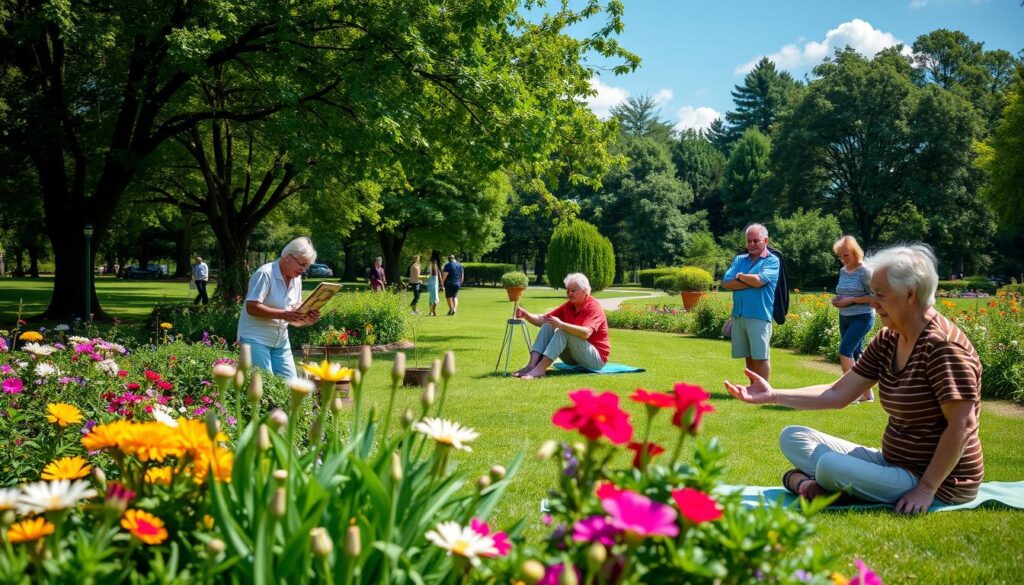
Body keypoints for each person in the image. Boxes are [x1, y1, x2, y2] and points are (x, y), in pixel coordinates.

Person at [724, 244, 983, 514]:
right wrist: (774, 395)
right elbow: (838, 393)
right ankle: (819, 484)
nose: (872, 301)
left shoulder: (944, 347)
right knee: (793, 437)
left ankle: (807, 482)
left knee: (829, 466)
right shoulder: (889, 338)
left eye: (880, 294)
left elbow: (963, 425)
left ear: (910, 295)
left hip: (939, 481)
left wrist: (926, 488)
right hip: (892, 463)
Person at [237, 237, 321, 379]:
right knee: (264, 385)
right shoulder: (265, 273)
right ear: (288, 256)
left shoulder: (296, 279)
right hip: (255, 339)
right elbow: (251, 307)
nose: (303, 270)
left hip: (281, 341)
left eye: (307, 267)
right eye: (302, 264)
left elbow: (292, 314)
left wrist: (307, 319)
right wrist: (284, 314)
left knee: (291, 385)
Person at [512, 273, 610, 379]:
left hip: (595, 360)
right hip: (575, 357)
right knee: (547, 325)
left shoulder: (593, 307)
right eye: (567, 290)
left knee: (562, 331)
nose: (569, 294)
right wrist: (526, 315)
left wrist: (562, 325)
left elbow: (586, 333)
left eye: (573, 291)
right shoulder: (569, 306)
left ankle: (540, 369)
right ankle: (531, 366)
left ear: (585, 291)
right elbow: (543, 319)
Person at [721, 223, 781, 381]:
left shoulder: (772, 261)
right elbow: (726, 283)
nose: (751, 244)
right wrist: (750, 281)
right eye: (749, 241)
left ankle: (763, 392)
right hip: (739, 314)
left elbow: (760, 281)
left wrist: (740, 276)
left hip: (759, 314)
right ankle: (754, 387)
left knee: (761, 356)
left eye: (756, 241)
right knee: (748, 354)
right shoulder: (739, 259)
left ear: (766, 241)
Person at [832, 235, 876, 402]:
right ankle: (867, 394)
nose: (843, 259)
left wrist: (851, 300)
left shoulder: (865, 271)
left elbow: (874, 298)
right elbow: (843, 292)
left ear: (855, 252)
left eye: (846, 255)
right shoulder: (843, 271)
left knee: (845, 350)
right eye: (840, 256)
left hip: (862, 317)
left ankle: (851, 393)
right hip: (845, 317)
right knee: (857, 354)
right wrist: (837, 300)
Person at [427, 251, 443, 316]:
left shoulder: (434, 267)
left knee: (433, 298)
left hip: (433, 283)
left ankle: (432, 311)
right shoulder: (432, 267)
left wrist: (441, 284)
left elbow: (439, 275)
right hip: (432, 283)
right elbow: (438, 275)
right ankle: (432, 311)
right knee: (433, 298)